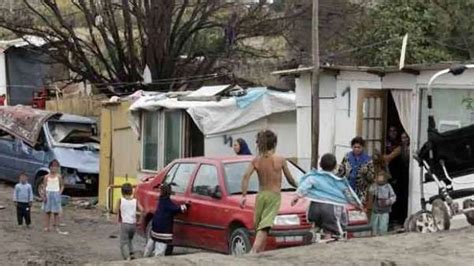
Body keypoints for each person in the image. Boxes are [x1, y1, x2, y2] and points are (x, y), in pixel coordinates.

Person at [240, 129, 298, 253]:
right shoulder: (280, 159)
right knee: (265, 226)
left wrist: (243, 196)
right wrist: (299, 188)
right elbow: (290, 180)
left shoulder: (256, 160)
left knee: (259, 225)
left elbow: (245, 176)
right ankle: (254, 251)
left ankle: (260, 253)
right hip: (274, 196)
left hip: (261, 195)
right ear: (274, 144)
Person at [291, 154, 362, 240]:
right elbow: (349, 194)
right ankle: (327, 240)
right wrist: (358, 205)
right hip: (330, 208)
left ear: (320, 165)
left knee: (318, 223)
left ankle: (314, 232)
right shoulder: (338, 181)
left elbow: (305, 186)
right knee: (331, 228)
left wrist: (297, 196)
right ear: (335, 166)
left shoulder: (315, 176)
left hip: (315, 206)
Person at [144, 183, 187, 257]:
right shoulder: (168, 203)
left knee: (151, 243)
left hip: (155, 227)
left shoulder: (161, 200)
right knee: (160, 249)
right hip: (163, 230)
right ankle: (157, 260)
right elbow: (177, 209)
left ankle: (145, 256)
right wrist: (186, 206)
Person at [337, 137, 375, 206]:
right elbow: (340, 172)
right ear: (352, 147)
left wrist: (366, 172)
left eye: (359, 147)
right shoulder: (347, 157)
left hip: (361, 192)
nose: (356, 149)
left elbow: (371, 178)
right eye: (355, 147)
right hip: (347, 190)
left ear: (362, 147)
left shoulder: (368, 160)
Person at [115, 183, 141, 260]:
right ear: (131, 191)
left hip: (125, 224)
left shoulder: (120, 200)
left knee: (123, 242)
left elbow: (116, 210)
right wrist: (140, 220)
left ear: (122, 192)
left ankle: (127, 257)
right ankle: (131, 252)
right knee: (130, 239)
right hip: (133, 224)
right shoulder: (135, 201)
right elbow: (142, 210)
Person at [40, 159, 66, 234]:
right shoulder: (46, 177)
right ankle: (47, 226)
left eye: (56, 167)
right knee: (47, 211)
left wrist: (59, 193)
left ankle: (56, 226)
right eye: (52, 166)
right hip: (48, 194)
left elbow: (62, 185)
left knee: (56, 212)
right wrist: (44, 196)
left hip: (56, 194)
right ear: (49, 167)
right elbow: (44, 187)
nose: (54, 168)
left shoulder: (59, 177)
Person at [369, 171, 396, 236]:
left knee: (383, 227)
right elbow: (371, 192)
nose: (380, 179)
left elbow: (393, 196)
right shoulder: (375, 186)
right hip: (376, 210)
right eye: (379, 177)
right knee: (373, 227)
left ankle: (383, 238)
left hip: (385, 210)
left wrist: (388, 201)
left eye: (381, 178)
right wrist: (374, 184)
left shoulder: (388, 186)